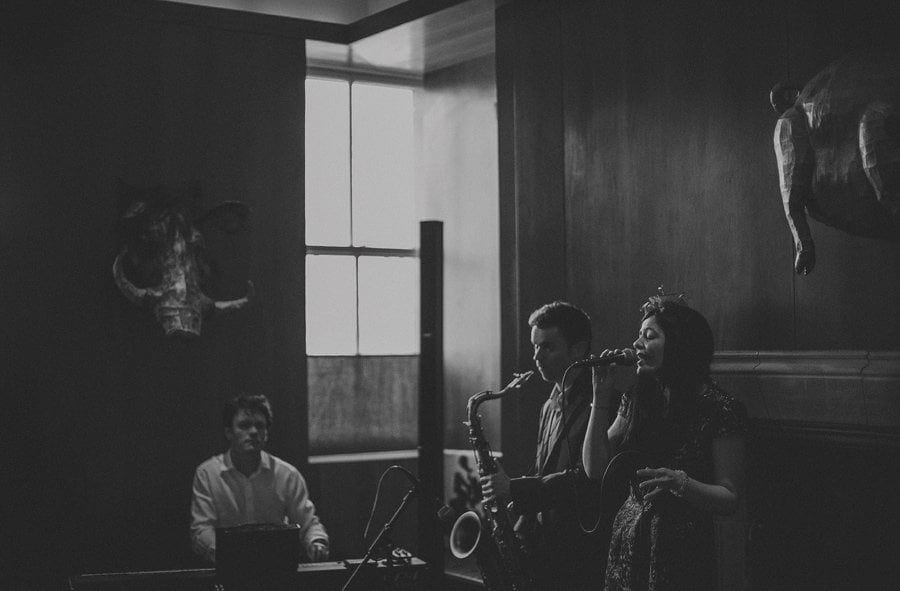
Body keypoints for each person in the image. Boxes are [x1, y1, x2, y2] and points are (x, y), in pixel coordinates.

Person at [582, 291, 748, 590]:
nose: (636, 344)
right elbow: (595, 468)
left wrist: (681, 484)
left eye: (649, 335)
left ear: (679, 345)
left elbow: (730, 497)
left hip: (682, 550)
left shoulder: (721, 408)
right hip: (630, 540)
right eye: (639, 335)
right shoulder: (638, 398)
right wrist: (599, 397)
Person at [480, 301, 605, 590]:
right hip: (545, 545)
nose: (536, 356)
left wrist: (514, 488)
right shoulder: (549, 403)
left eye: (547, 347)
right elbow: (542, 467)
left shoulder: (601, 404)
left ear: (578, 349)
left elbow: (586, 480)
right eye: (535, 346)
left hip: (579, 550)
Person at [190, 394, 330, 564]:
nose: (254, 431)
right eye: (244, 425)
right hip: (227, 571)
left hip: (276, 570)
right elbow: (201, 529)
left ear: (267, 433)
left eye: (260, 426)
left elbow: (307, 524)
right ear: (229, 432)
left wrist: (317, 542)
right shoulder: (208, 474)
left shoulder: (287, 474)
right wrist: (227, 556)